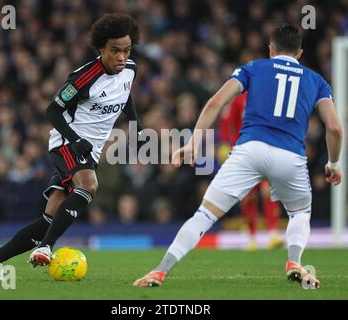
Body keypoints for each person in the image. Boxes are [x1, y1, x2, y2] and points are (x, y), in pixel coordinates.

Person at [134, 24, 342, 289]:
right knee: (300, 212)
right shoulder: (317, 81)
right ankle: (294, 261)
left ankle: (159, 271)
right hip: (290, 156)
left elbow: (215, 103)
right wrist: (333, 163)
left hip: (250, 150)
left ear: (271, 49)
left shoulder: (253, 68)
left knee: (204, 215)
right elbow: (334, 127)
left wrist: (193, 144)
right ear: (300, 53)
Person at [0, 13, 142, 280]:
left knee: (49, 218)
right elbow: (52, 111)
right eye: (115, 51)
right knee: (88, 185)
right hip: (68, 142)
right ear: (101, 49)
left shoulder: (130, 69)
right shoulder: (84, 77)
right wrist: (75, 140)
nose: (122, 57)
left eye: (126, 50)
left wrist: (135, 125)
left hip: (91, 148)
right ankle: (45, 247)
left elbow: (126, 95)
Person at [219, 93, 284, 251]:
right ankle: (252, 236)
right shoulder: (239, 99)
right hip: (244, 152)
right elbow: (228, 122)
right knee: (249, 196)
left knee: (267, 190)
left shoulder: (268, 95)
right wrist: (226, 144)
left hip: (265, 149)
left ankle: (273, 233)